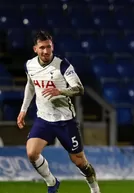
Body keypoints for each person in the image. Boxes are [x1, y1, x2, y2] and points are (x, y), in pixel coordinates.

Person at [16, 31, 101, 193]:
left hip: (65, 120)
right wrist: (23, 109)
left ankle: (95, 189)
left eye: (49, 47)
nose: (46, 51)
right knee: (32, 153)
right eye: (42, 47)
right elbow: (31, 85)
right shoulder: (30, 65)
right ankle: (51, 182)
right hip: (44, 119)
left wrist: (60, 91)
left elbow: (79, 89)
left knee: (79, 161)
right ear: (35, 49)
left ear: (52, 46)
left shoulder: (62, 65)